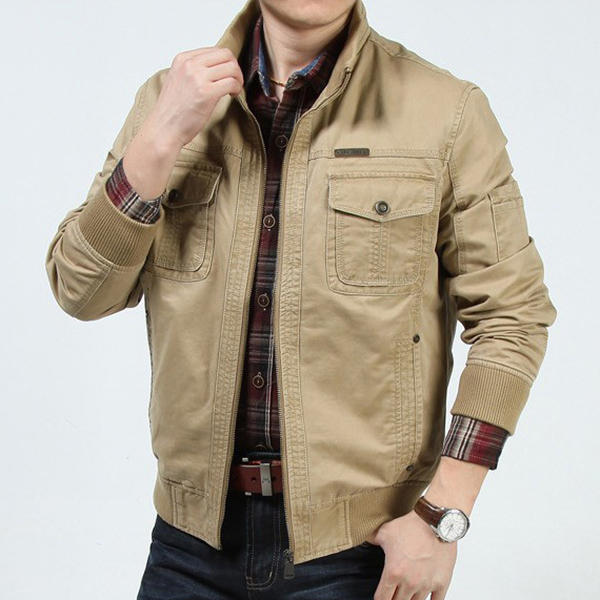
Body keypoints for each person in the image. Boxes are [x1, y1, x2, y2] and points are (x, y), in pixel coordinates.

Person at [45, 0, 557, 598]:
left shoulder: (447, 112)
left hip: (358, 552)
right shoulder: (165, 99)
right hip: (187, 545)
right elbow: (81, 290)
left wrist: (443, 514)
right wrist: (159, 140)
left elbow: (513, 317)